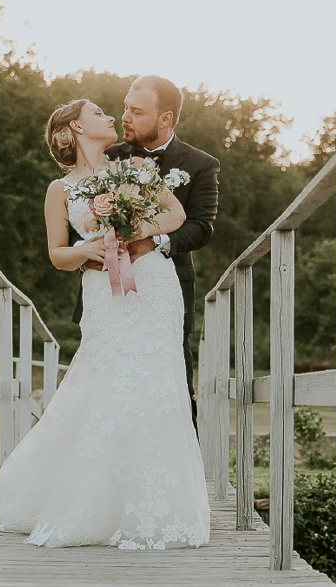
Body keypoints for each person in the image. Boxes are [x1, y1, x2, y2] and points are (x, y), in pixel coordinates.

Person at [0, 98, 211, 550]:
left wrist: (132, 229)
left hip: (154, 287)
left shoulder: (138, 168)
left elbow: (177, 216)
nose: (111, 118)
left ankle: (157, 505)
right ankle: (93, 501)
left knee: (158, 386)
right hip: (104, 296)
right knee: (104, 383)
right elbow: (57, 255)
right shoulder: (59, 189)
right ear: (76, 128)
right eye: (99, 114)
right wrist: (89, 249)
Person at [72, 76, 221, 432]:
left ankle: (184, 476)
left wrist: (154, 242)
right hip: (108, 290)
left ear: (165, 119)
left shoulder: (201, 165)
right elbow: (75, 215)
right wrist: (86, 250)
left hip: (165, 287)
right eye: (125, 107)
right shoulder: (108, 158)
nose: (124, 116)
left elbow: (201, 226)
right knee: (105, 380)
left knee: (171, 380)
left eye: (137, 112)